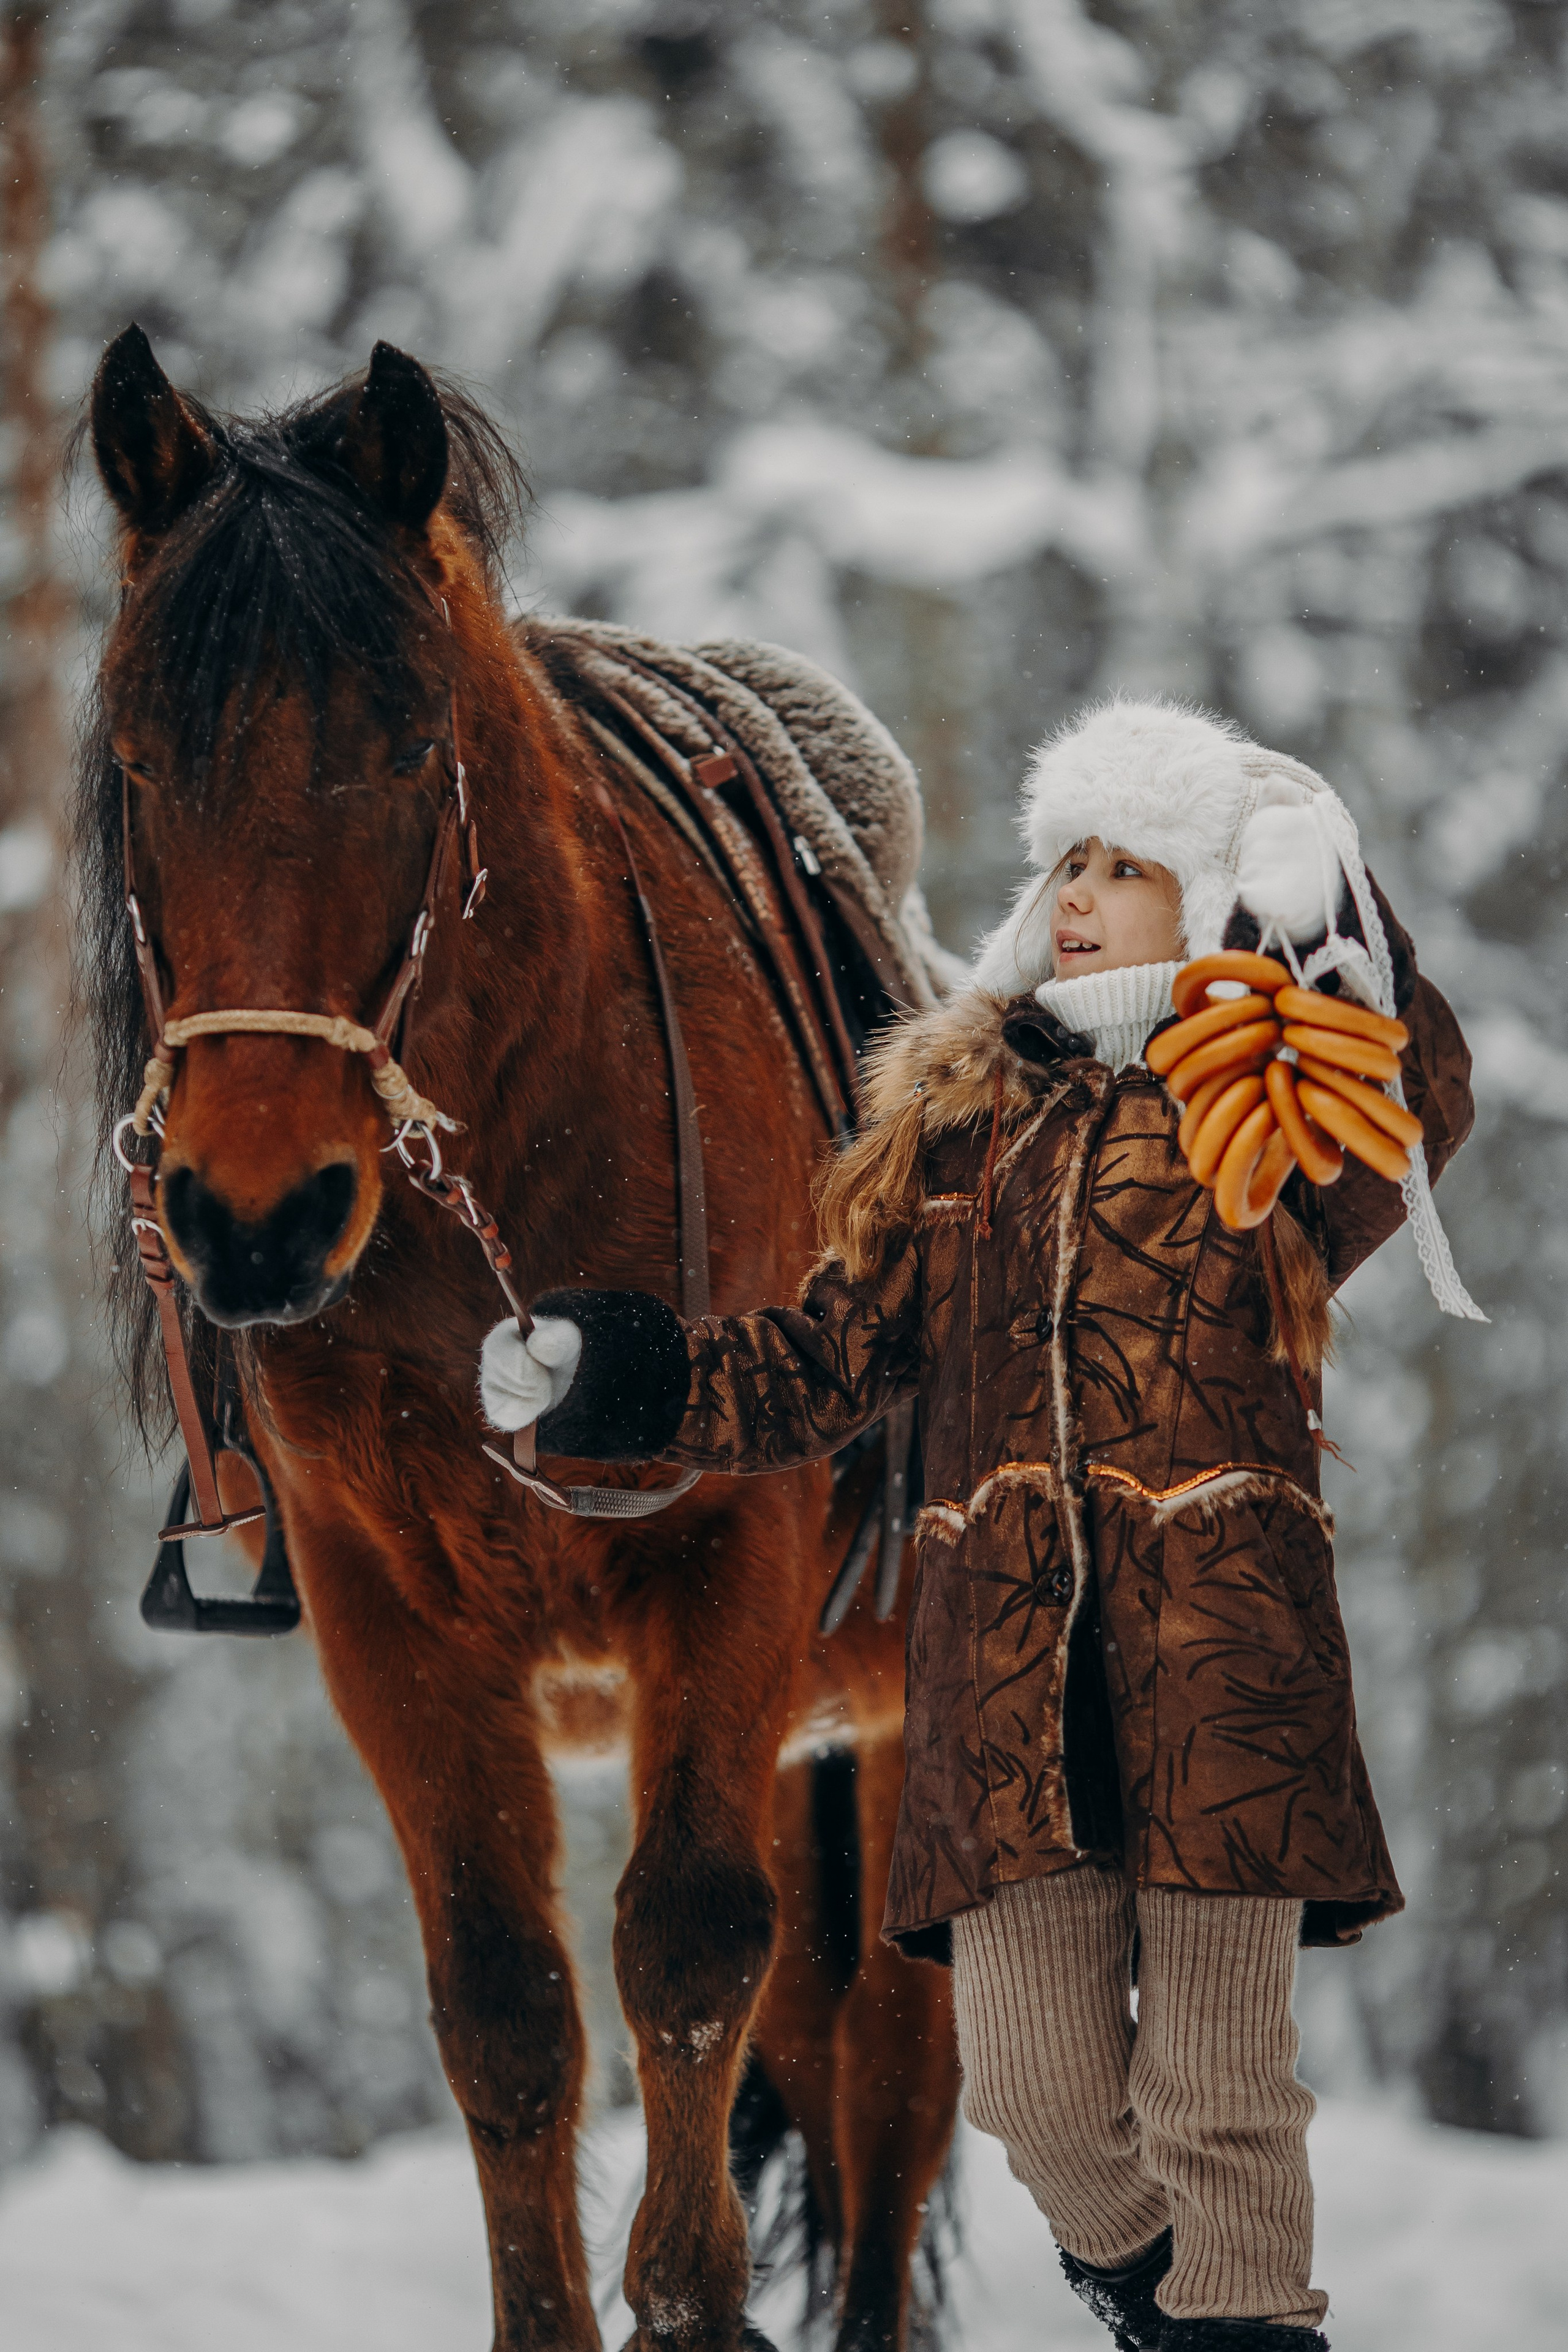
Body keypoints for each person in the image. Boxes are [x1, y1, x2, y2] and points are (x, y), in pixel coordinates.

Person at [477, 698, 1476, 2351]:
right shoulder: (963, 1126)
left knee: (1223, 2096)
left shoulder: (1276, 1122)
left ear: (1213, 899)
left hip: (1223, 1686)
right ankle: (1167, 2305)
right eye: (1067, 860)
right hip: (1007, 1692)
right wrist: (622, 1372)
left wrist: (1345, 911)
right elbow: (820, 1366)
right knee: (1028, 2095)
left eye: (1129, 864)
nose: (1079, 892)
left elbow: (1423, 1093)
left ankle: (1247, 2323)